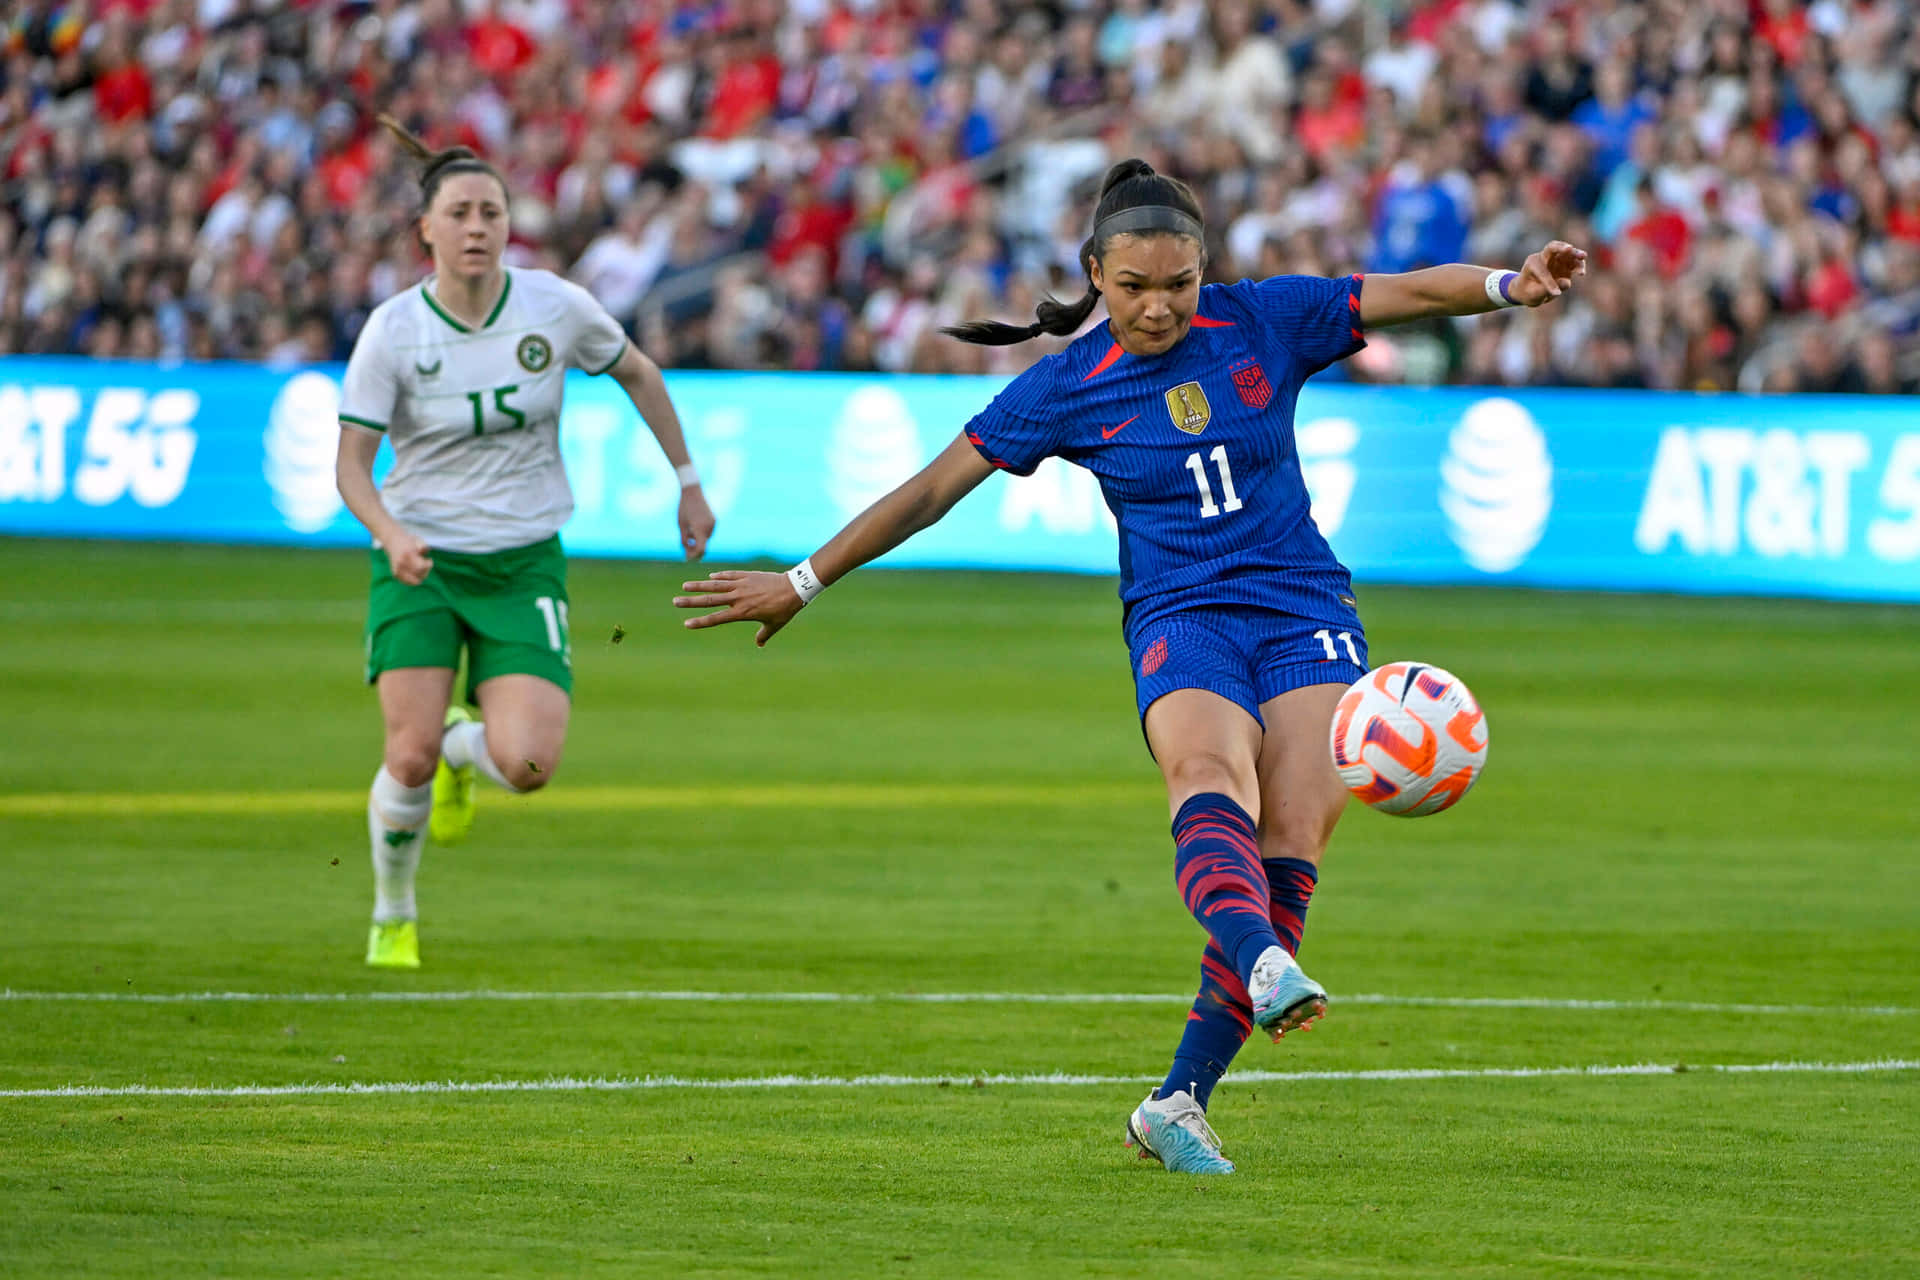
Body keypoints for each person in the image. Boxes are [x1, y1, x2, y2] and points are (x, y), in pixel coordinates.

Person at [674, 159, 1585, 1173]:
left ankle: (1178, 1100)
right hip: (1180, 614)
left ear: (1206, 270)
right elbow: (934, 489)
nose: (1160, 307)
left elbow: (1409, 292)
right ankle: (1261, 959)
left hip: (1302, 606)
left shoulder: (1264, 320)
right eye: (1137, 286)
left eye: (1179, 284)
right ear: (1095, 274)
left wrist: (1512, 283)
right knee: (1207, 776)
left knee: (1291, 836)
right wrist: (803, 580)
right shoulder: (1068, 383)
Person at [336, 115, 715, 970]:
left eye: (492, 214)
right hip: (421, 561)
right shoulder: (393, 331)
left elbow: (639, 374)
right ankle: (394, 911)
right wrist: (389, 533)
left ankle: (467, 752)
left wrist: (688, 482)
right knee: (407, 751)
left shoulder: (554, 306)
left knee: (531, 764)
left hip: (523, 561)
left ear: (509, 226)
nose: (478, 228)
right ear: (425, 230)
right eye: (461, 213)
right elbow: (352, 467)